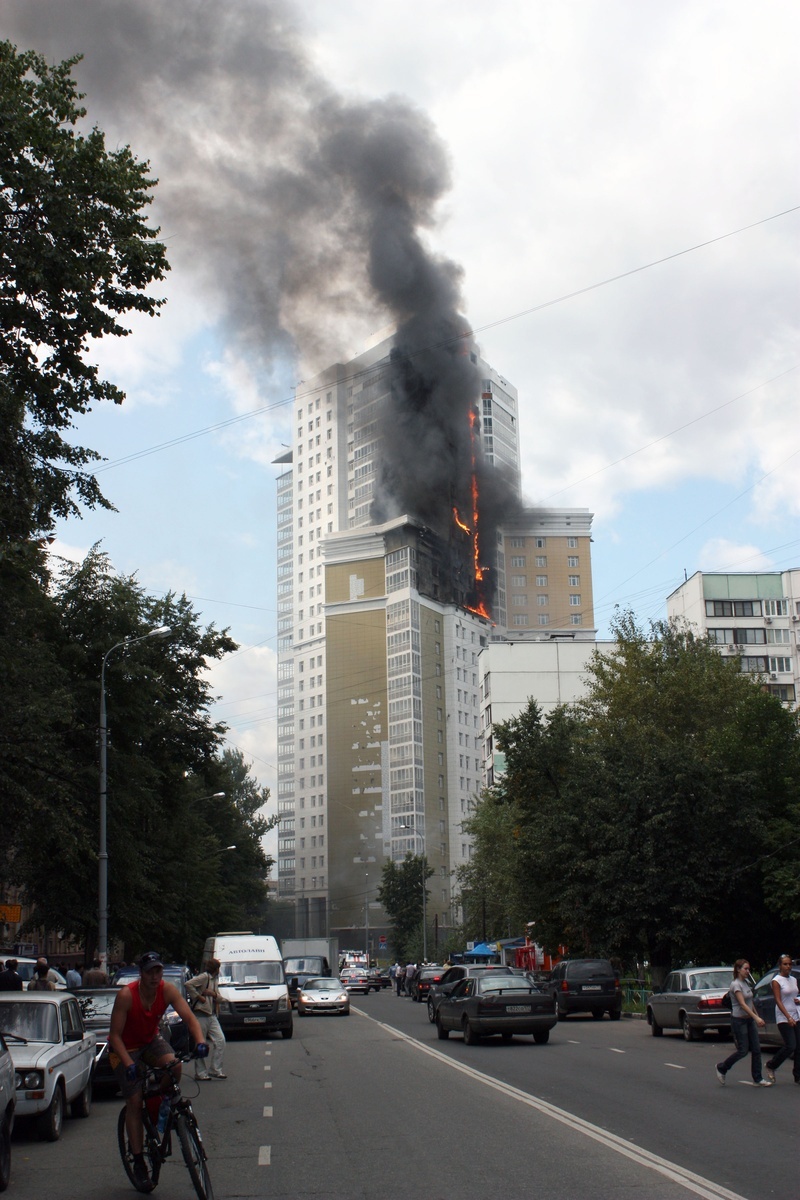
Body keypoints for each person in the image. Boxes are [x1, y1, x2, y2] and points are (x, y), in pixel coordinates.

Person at [109, 951, 207, 1193]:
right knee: (134, 1100)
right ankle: (140, 1160)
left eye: (158, 971)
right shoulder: (127, 996)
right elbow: (114, 1037)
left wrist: (200, 1041)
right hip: (124, 1048)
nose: (155, 977)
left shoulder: (167, 990)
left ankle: (160, 1106)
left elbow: (190, 1018)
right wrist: (129, 1064)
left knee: (175, 1065)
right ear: (141, 974)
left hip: (150, 1040)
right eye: (150, 972)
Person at [715, 958, 773, 1087]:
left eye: (749, 969)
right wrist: (755, 1017)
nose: (748, 971)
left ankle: (758, 1078)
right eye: (745, 969)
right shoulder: (736, 985)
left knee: (757, 1049)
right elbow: (742, 1004)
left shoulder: (746, 982)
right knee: (743, 1050)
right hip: (739, 1020)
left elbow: (750, 1002)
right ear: (738, 970)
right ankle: (722, 1067)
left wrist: (757, 1017)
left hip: (749, 1020)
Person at [186, 959, 227, 1080]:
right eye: (218, 968)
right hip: (201, 1014)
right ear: (215, 969)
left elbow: (218, 998)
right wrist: (198, 997)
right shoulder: (204, 977)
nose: (219, 970)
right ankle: (200, 1073)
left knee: (220, 1041)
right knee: (201, 1043)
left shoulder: (214, 980)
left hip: (211, 1015)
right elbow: (188, 984)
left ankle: (215, 1069)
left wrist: (213, 994)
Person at [764, 955, 800, 1084]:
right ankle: (771, 1065)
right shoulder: (776, 980)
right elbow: (778, 1000)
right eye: (785, 964)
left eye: (789, 964)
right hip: (784, 1017)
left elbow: (796, 995)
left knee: (799, 1046)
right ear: (780, 966)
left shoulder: (793, 980)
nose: (788, 967)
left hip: (796, 1014)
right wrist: (788, 1017)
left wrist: (798, 999)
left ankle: (798, 1075)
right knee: (791, 1045)